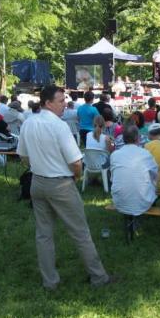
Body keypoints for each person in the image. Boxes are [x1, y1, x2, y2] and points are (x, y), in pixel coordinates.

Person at [17, 85, 112, 290]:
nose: (64, 104)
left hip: (38, 182)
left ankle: (49, 281)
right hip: (59, 183)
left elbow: (23, 157)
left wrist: (38, 163)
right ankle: (99, 277)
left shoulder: (28, 123)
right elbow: (76, 162)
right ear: (48, 103)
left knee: (43, 235)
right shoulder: (59, 126)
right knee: (80, 233)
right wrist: (76, 177)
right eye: (60, 101)